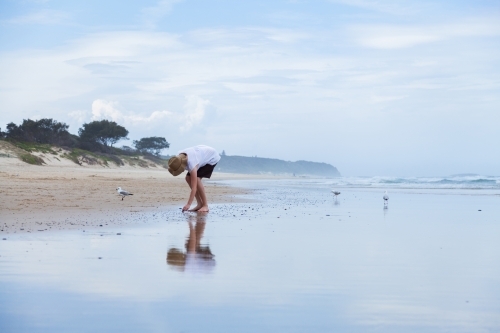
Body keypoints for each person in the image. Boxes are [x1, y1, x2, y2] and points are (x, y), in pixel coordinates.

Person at [167, 145, 221, 212]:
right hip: (201, 155)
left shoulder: (192, 163)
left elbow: (194, 188)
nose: (183, 170)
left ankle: (205, 206)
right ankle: (199, 204)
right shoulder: (177, 159)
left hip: (211, 158)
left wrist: (188, 204)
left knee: (197, 180)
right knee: (187, 178)